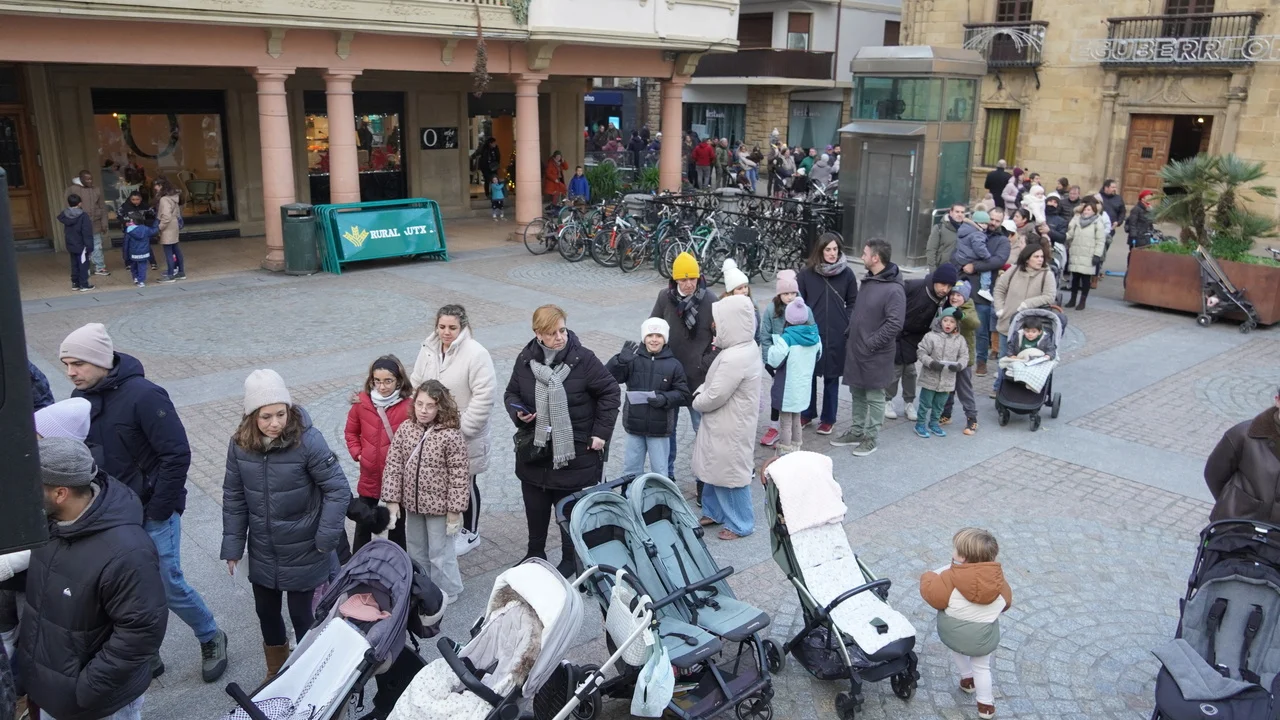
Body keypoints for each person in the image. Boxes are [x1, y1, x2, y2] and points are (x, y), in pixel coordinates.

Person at [61, 323, 227, 682]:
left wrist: (159, 510)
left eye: (78, 363)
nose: (71, 372)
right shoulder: (80, 398)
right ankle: (145, 650)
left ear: (100, 360)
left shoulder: (146, 395)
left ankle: (211, 635)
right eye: (66, 365)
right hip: (110, 516)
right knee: (123, 589)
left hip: (153, 512)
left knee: (167, 584)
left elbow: (177, 455)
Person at [20, 437, 167, 720]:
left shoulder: (128, 553)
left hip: (96, 705)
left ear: (60, 493)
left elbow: (142, 630)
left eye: (33, 485)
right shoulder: (48, 523)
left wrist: (85, 691)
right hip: (51, 692)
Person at [222, 369, 349, 680]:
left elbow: (338, 489)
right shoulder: (239, 445)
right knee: (266, 613)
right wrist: (233, 547)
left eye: (281, 414)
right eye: (266, 416)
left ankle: (308, 676)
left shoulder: (308, 440)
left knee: (303, 616)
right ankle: (276, 673)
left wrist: (326, 538)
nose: (275, 423)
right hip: (264, 549)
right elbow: (234, 496)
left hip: (306, 548)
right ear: (252, 415)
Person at [505, 305, 619, 577]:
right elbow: (511, 393)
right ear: (538, 334)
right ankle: (535, 552)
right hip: (535, 453)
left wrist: (601, 433)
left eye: (563, 330)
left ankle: (571, 559)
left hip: (573, 455)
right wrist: (518, 411)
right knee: (535, 509)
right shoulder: (525, 360)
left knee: (568, 512)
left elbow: (610, 392)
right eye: (552, 332)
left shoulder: (584, 359)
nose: (560, 337)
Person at [410, 304, 497, 558]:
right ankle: (447, 526)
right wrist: (418, 416)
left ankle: (471, 532)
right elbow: (416, 382)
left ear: (462, 327)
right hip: (431, 430)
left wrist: (463, 429)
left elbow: (484, 395)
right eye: (442, 327)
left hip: (463, 433)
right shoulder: (428, 349)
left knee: (465, 482)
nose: (446, 332)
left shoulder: (476, 353)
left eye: (452, 327)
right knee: (442, 482)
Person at [380, 380, 469, 603]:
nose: (423, 410)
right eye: (420, 404)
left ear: (440, 406)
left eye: (430, 405)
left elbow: (459, 474)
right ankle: (424, 588)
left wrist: (454, 510)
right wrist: (392, 500)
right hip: (413, 504)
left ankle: (448, 590)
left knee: (441, 552)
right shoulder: (406, 428)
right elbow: (394, 464)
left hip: (439, 507)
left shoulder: (450, 435)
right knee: (416, 549)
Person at [919, 528, 1013, 720]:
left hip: (953, 632)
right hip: (982, 637)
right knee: (982, 667)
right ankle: (986, 706)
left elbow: (934, 597)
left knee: (958, 649)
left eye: (955, 549)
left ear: (962, 557)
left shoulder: (949, 577)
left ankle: (967, 679)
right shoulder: (999, 582)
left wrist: (928, 576)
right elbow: (1006, 603)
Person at [692, 295, 763, 540]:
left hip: (730, 424)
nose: (714, 325)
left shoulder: (736, 357)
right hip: (728, 422)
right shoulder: (742, 347)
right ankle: (714, 511)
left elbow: (715, 395)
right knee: (715, 468)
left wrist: (697, 399)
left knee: (730, 474)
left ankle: (741, 523)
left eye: (719, 320)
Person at [831, 239, 905, 457]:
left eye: (865, 253)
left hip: (875, 353)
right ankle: (856, 432)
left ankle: (870, 438)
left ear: (875, 258)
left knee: (874, 396)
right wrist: (851, 332)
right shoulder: (869, 280)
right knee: (857, 392)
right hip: (857, 350)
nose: (862, 257)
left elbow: (895, 324)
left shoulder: (894, 289)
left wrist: (871, 343)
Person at [651, 252, 716, 482]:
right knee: (668, 431)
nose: (689, 284)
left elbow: (720, 339)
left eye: (692, 279)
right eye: (683, 279)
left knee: (702, 432)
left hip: (698, 379)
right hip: (670, 378)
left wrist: (704, 362)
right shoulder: (664, 297)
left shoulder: (711, 300)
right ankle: (667, 479)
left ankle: (703, 480)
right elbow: (653, 329)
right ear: (675, 279)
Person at [606, 318, 691, 477]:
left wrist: (665, 398)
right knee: (631, 469)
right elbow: (608, 378)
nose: (654, 339)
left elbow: (683, 394)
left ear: (665, 339)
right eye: (650, 335)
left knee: (660, 470)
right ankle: (630, 492)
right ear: (644, 338)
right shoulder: (632, 360)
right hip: (634, 426)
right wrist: (618, 362)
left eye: (658, 336)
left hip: (660, 429)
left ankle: (660, 493)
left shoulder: (674, 364)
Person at [345, 356, 413, 552]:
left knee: (396, 522)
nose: (382, 386)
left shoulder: (409, 407)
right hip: (370, 473)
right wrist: (359, 454)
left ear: (398, 381)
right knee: (363, 522)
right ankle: (359, 559)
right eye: (378, 381)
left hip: (396, 476)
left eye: (388, 381)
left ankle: (397, 560)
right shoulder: (361, 404)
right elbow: (351, 432)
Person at [797, 233, 857, 435]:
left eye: (835, 249)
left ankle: (828, 418)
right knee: (809, 375)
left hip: (837, 333)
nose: (832, 253)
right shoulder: (806, 274)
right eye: (828, 249)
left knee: (832, 377)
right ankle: (807, 413)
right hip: (811, 332)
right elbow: (799, 302)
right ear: (820, 251)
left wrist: (846, 321)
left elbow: (853, 302)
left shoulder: (847, 274)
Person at [885, 263, 955, 422]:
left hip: (915, 338)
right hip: (896, 333)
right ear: (935, 280)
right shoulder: (914, 286)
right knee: (895, 369)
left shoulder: (945, 300)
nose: (945, 289)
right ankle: (887, 400)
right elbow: (892, 299)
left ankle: (909, 403)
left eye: (949, 286)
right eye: (943, 284)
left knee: (910, 371)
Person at [1205, 388, 1280, 523]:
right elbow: (1214, 474)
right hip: (1239, 526)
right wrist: (1234, 505)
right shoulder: (1243, 435)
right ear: (1278, 400)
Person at [992, 244, 1056, 395]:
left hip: (1030, 326)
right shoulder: (1013, 270)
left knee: (1027, 359)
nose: (1040, 260)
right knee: (1005, 357)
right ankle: (999, 388)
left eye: (1042, 257)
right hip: (1008, 321)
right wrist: (1000, 308)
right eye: (1036, 257)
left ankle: (1022, 390)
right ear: (1027, 259)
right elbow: (999, 289)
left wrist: (1028, 304)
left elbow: (1049, 296)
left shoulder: (1047, 275)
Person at [758, 270, 809, 447]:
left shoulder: (803, 308)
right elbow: (765, 336)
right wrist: (768, 361)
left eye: (793, 293)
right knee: (777, 393)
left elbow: (810, 332)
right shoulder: (771, 309)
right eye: (785, 293)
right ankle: (774, 427)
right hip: (777, 359)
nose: (789, 297)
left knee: (793, 398)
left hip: (796, 361)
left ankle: (791, 438)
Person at [766, 297, 822, 454]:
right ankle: (797, 448)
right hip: (803, 386)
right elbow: (818, 355)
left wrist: (772, 348)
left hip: (787, 388)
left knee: (785, 421)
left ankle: (785, 451)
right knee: (797, 417)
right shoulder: (815, 337)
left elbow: (774, 360)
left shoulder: (787, 339)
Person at [959, 210, 1011, 377]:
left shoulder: (1003, 240)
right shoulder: (974, 231)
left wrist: (975, 266)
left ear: (1001, 222)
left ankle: (981, 361)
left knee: (981, 330)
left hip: (985, 290)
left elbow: (998, 261)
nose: (993, 223)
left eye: (997, 220)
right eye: (991, 219)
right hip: (965, 284)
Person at [913, 307, 968, 439]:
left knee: (939, 404)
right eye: (945, 320)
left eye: (952, 322)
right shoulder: (930, 336)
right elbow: (921, 352)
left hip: (947, 379)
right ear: (940, 321)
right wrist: (931, 362)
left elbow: (964, 356)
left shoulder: (960, 339)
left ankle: (934, 423)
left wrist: (959, 365)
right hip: (930, 377)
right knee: (925, 403)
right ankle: (920, 424)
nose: (948, 324)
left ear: (956, 324)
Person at [940, 282, 980, 435]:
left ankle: (972, 418)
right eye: (953, 294)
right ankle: (946, 414)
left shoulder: (968, 308)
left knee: (964, 389)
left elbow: (974, 323)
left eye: (958, 295)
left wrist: (961, 316)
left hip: (963, 359)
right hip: (949, 356)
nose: (954, 298)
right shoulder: (947, 308)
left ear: (965, 297)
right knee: (947, 388)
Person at [64, 170, 110, 277]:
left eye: (91, 179)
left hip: (95, 223)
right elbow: (68, 207)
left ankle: (100, 267)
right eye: (87, 179)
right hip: (79, 224)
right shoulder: (72, 189)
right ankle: (85, 268)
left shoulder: (96, 189)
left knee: (97, 246)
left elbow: (102, 207)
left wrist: (104, 223)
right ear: (81, 179)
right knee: (82, 247)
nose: (90, 181)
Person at [1065, 198, 1107, 311]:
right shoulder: (1077, 220)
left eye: (1089, 210)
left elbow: (1100, 240)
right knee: (1075, 278)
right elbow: (1070, 234)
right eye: (1085, 209)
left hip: (1089, 255)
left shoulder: (1097, 223)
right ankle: (1072, 299)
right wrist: (1060, 236)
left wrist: (1097, 255)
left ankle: (1082, 301)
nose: (1086, 211)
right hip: (1076, 253)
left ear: (1094, 211)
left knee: (1085, 279)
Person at [952, 211, 993, 302]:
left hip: (961, 257)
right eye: (982, 223)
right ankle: (985, 288)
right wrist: (987, 256)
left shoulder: (964, 229)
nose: (985, 226)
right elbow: (979, 248)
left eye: (986, 223)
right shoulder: (977, 234)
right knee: (987, 268)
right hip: (969, 258)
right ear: (975, 223)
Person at [58, 193, 95, 293]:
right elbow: (86, 232)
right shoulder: (83, 216)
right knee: (83, 264)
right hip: (81, 244)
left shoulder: (65, 214)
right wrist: (89, 246)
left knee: (74, 264)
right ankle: (84, 284)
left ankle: (75, 283)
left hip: (70, 243)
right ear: (79, 203)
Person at [152, 178, 184, 283]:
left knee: (168, 251)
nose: (155, 188)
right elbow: (177, 213)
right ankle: (181, 272)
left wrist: (159, 227)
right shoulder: (174, 197)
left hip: (167, 227)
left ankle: (171, 275)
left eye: (156, 185)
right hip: (174, 225)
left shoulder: (164, 199)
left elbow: (166, 217)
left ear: (161, 186)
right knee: (176, 249)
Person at [118, 190, 158, 270]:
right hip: (130, 230)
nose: (135, 201)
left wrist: (148, 223)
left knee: (146, 246)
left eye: (137, 199)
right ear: (130, 199)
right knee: (127, 246)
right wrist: (125, 222)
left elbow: (154, 214)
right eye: (133, 199)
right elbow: (119, 215)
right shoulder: (125, 206)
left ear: (141, 199)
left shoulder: (145, 206)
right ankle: (128, 263)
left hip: (142, 229)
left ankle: (152, 262)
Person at [926, 204, 965, 271]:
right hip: (943, 268)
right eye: (957, 212)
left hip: (961, 270)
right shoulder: (939, 228)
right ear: (951, 212)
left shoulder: (967, 229)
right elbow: (931, 250)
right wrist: (933, 271)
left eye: (962, 212)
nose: (960, 214)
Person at [123, 212, 158, 287]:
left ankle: (135, 278)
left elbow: (126, 244)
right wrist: (157, 222)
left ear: (132, 221)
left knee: (133, 266)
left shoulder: (129, 230)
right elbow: (154, 231)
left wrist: (125, 255)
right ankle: (141, 281)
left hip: (133, 253)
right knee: (142, 267)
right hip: (144, 252)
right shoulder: (146, 229)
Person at [1097, 178, 1127, 257]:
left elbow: (1122, 212)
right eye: (1112, 187)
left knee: (1104, 249)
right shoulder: (1098, 197)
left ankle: (1100, 262)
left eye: (1115, 187)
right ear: (1106, 188)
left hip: (1110, 229)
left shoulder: (1118, 198)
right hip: (1098, 227)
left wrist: (1118, 222)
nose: (1115, 189)